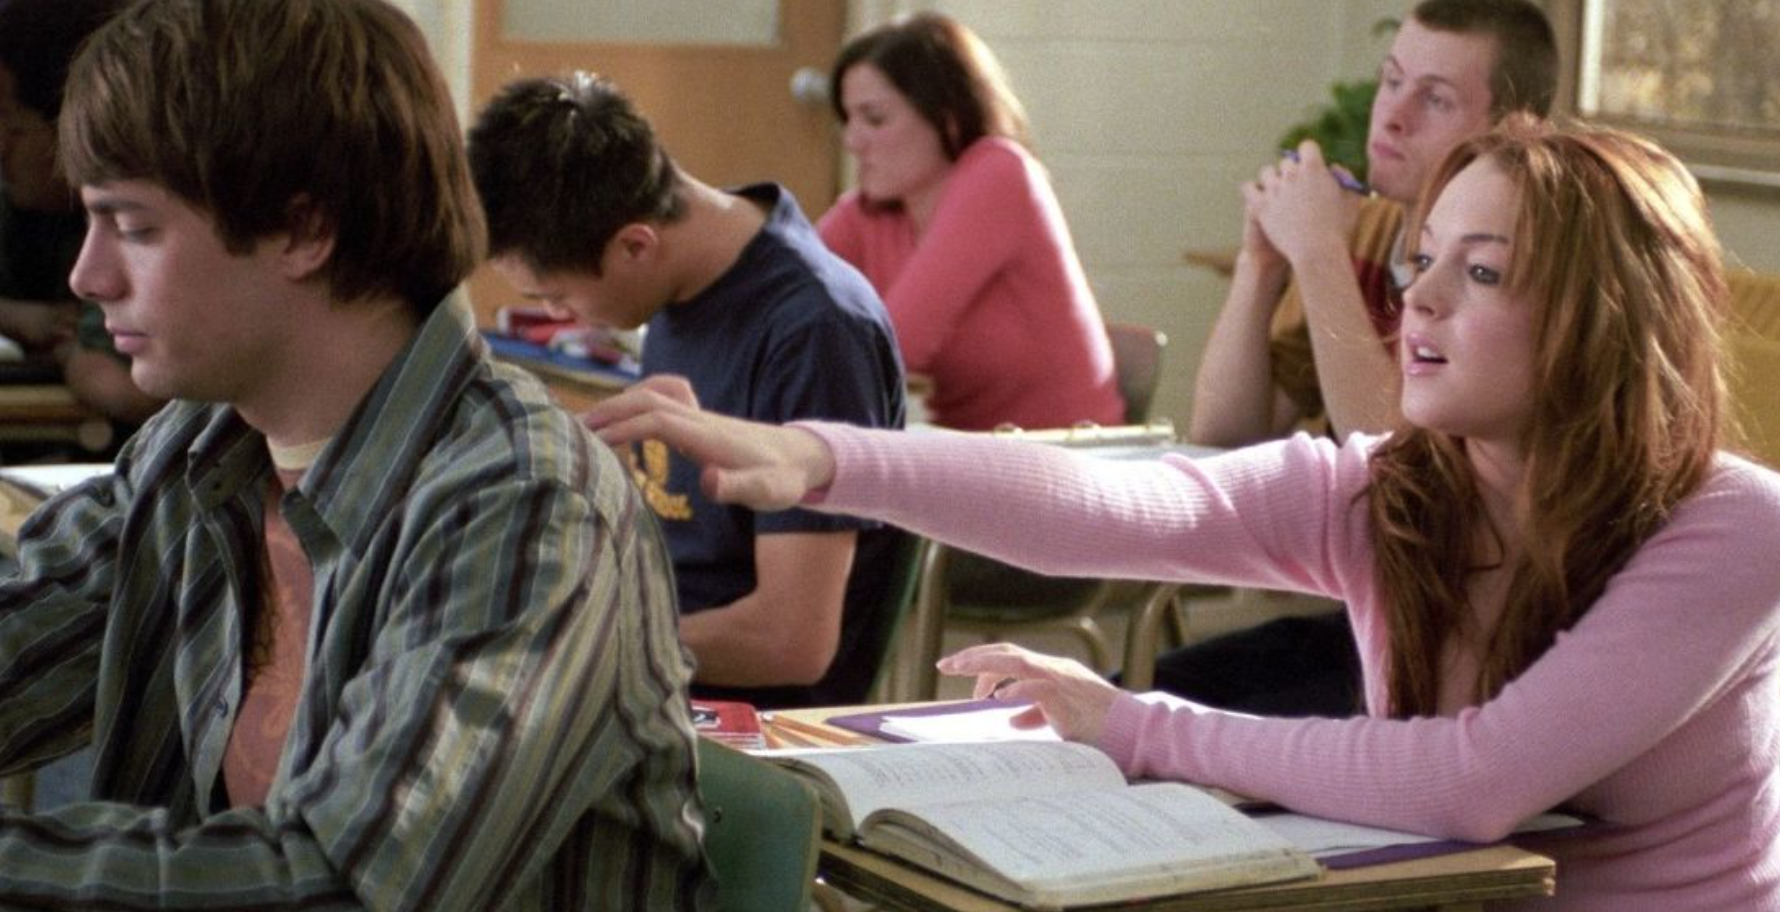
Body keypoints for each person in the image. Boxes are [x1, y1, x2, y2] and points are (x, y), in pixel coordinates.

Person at [584, 117, 1780, 909]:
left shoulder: (1735, 526)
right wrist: (818, 457)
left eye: (1481, 270)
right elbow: (1120, 501)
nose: (1417, 298)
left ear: (1602, 317)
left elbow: (1478, 780)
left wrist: (1136, 725)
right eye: (1421, 258)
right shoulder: (1396, 489)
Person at [0, 1, 710, 907]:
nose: (87, 276)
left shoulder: (526, 503)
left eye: (134, 227)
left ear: (304, 231)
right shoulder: (201, 446)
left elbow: (347, 888)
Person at [1167, 0, 1558, 716]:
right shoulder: (1370, 234)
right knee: (1154, 690)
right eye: (1391, 81)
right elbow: (1226, 436)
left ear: (1511, 130)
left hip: (1484, 643)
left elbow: (1397, 461)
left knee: (1195, 726)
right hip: (1371, 611)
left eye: (1435, 99)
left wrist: (1318, 253)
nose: (1393, 116)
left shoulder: (1519, 269)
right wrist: (1261, 263)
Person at [467, 74, 906, 709]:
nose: (563, 317)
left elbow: (791, 641)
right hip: (655, 662)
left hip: (742, 716)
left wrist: (581, 645)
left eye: (557, 297)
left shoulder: (816, 330)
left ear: (635, 245)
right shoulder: (681, 282)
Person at [818, 12, 1123, 432]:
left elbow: (895, 347)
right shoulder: (872, 209)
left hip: (1067, 449)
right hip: (978, 449)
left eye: (874, 119)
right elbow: (778, 282)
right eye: (847, 119)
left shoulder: (1000, 173)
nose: (852, 141)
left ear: (947, 118)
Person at [0, 0, 162, 433]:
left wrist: (70, 355)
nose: (1, 146)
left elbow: (128, 389)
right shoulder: (21, 211)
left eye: (13, 123)